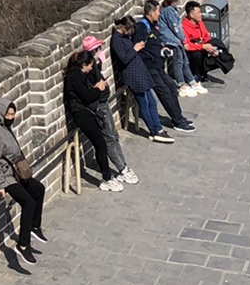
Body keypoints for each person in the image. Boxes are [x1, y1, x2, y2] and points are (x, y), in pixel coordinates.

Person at [0, 98, 46, 264]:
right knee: (28, 202)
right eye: (8, 114)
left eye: (13, 114)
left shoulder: (6, 128)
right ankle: (23, 245)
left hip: (16, 172)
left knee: (38, 189)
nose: (11, 117)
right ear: (1, 113)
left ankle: (34, 226)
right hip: (6, 177)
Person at [63, 49, 129, 191]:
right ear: (84, 65)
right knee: (100, 144)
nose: (92, 68)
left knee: (101, 143)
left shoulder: (78, 74)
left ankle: (107, 176)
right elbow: (86, 96)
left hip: (85, 111)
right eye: (91, 66)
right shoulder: (76, 77)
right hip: (81, 113)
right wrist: (98, 88)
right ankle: (106, 179)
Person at [80, 35, 139, 174]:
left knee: (113, 136)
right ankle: (122, 168)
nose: (100, 50)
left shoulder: (94, 65)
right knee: (109, 138)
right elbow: (90, 90)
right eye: (98, 48)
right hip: (99, 106)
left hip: (103, 103)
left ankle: (123, 165)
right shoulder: (88, 70)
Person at [110, 19, 174, 142]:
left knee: (152, 101)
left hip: (139, 71)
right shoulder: (117, 40)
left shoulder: (123, 38)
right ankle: (154, 130)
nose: (130, 33)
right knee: (144, 102)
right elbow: (123, 59)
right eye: (130, 30)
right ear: (124, 28)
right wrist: (135, 49)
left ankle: (157, 128)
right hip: (132, 74)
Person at [139, 0, 196, 130]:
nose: (159, 14)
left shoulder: (153, 25)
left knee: (171, 85)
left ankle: (179, 116)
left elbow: (154, 44)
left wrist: (162, 50)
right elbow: (139, 48)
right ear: (152, 12)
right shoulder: (142, 27)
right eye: (158, 11)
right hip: (149, 67)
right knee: (163, 91)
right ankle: (177, 121)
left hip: (157, 65)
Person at [181, 2, 232, 82]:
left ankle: (204, 71)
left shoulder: (200, 22)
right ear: (191, 15)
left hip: (202, 46)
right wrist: (203, 47)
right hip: (192, 53)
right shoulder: (184, 27)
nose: (201, 14)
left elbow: (206, 36)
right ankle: (195, 73)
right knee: (196, 54)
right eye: (198, 13)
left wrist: (211, 48)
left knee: (216, 43)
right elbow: (187, 46)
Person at [159, 0, 197, 94]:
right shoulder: (169, 11)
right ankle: (181, 84)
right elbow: (175, 27)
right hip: (172, 40)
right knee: (178, 62)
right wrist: (183, 40)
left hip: (175, 40)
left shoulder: (168, 9)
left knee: (184, 61)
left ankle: (191, 81)